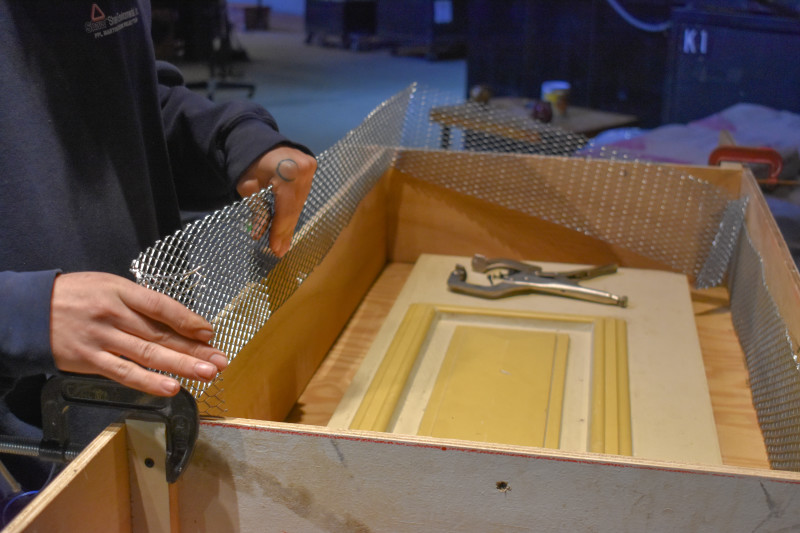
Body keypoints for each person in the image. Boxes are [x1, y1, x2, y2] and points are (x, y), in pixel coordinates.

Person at [0, 0, 316, 490]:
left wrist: (231, 139)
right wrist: (19, 315)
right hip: (22, 446)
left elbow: (128, 96)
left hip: (136, 398)